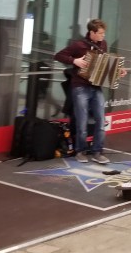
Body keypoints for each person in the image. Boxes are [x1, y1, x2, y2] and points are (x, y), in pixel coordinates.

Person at [54, 18, 126, 164]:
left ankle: (97, 151)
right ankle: (80, 151)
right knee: (82, 121)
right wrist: (75, 61)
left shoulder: (103, 45)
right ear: (92, 33)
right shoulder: (79, 45)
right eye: (100, 33)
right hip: (80, 87)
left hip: (96, 87)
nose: (103, 36)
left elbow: (104, 65)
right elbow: (58, 55)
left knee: (100, 120)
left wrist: (118, 71)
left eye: (104, 33)